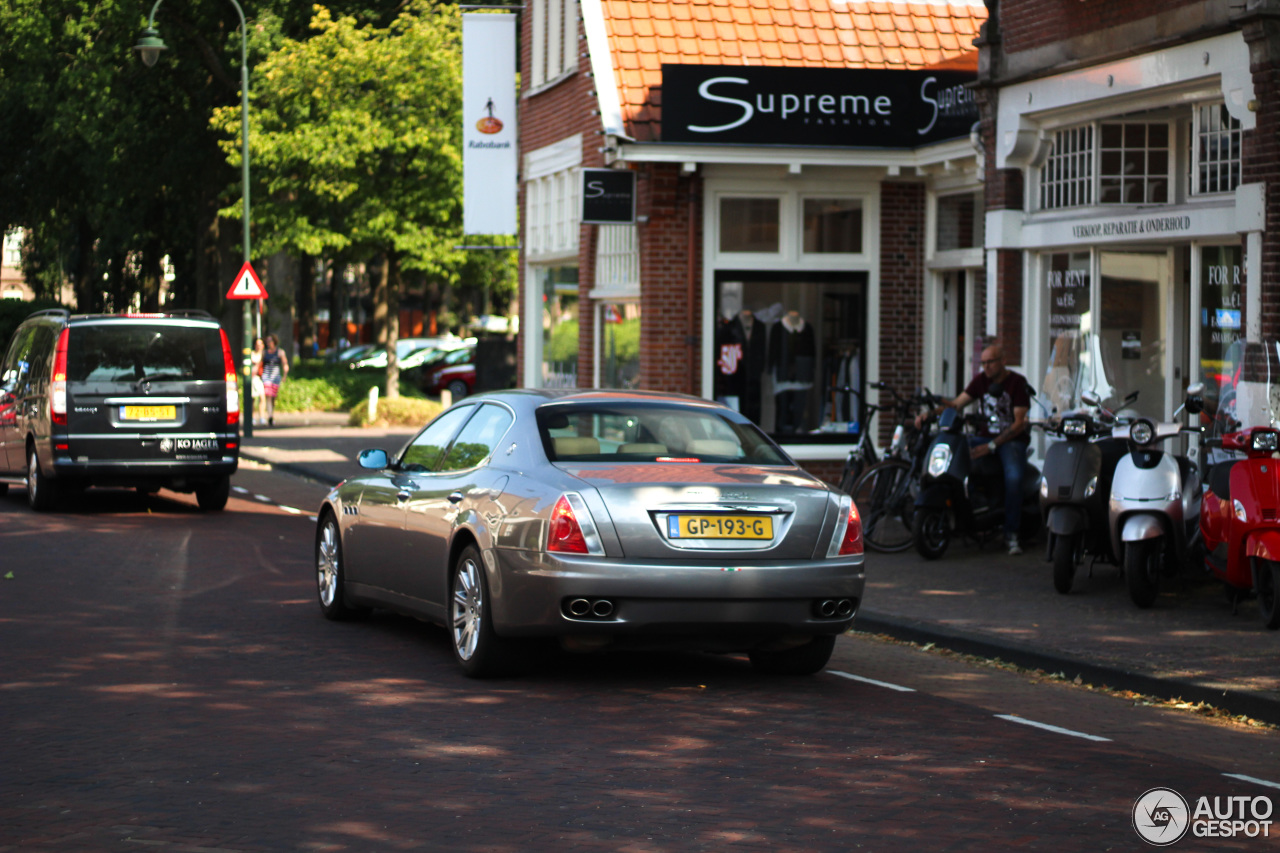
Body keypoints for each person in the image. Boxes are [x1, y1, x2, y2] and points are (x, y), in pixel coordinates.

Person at [917, 342, 1031, 555]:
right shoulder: (981, 381)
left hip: (1010, 441)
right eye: (983, 363)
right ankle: (969, 513)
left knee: (1014, 478)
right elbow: (956, 404)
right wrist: (929, 414)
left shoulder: (1017, 383)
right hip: (983, 438)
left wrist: (991, 446)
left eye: (991, 362)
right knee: (953, 451)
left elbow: (1018, 424)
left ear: (1003, 361)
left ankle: (1012, 534)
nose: (986, 367)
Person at [259, 334, 289, 427]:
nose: (268, 343)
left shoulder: (280, 352)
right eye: (267, 341)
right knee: (268, 395)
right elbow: (260, 363)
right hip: (266, 376)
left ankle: (271, 412)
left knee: (273, 397)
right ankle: (270, 416)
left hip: (276, 377)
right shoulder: (264, 353)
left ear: (274, 342)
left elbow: (285, 364)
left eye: (270, 341)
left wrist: (285, 375)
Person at [250, 337, 266, 426]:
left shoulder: (264, 354)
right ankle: (252, 417)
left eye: (260, 344)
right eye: (257, 344)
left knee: (262, 397)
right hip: (253, 378)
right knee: (252, 399)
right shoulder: (252, 354)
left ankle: (262, 417)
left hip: (260, 378)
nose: (259, 346)